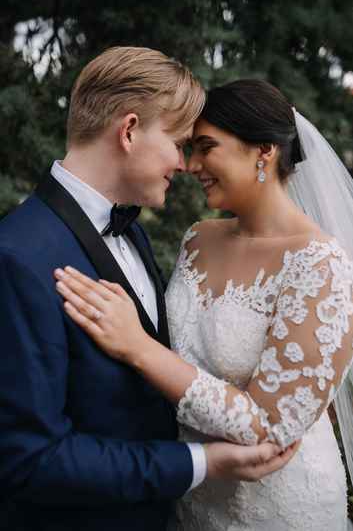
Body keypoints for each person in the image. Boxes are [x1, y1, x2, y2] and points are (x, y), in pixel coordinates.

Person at [0, 52, 296, 531]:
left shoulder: (132, 231)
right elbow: (29, 459)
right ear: (130, 130)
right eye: (179, 143)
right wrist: (201, 462)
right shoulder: (16, 255)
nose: (185, 164)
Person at [55, 79, 353, 531]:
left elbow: (268, 428)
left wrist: (138, 347)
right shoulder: (198, 238)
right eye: (189, 147)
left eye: (205, 147)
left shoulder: (320, 264)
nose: (190, 164)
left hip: (278, 507)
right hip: (189, 496)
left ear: (264, 151)